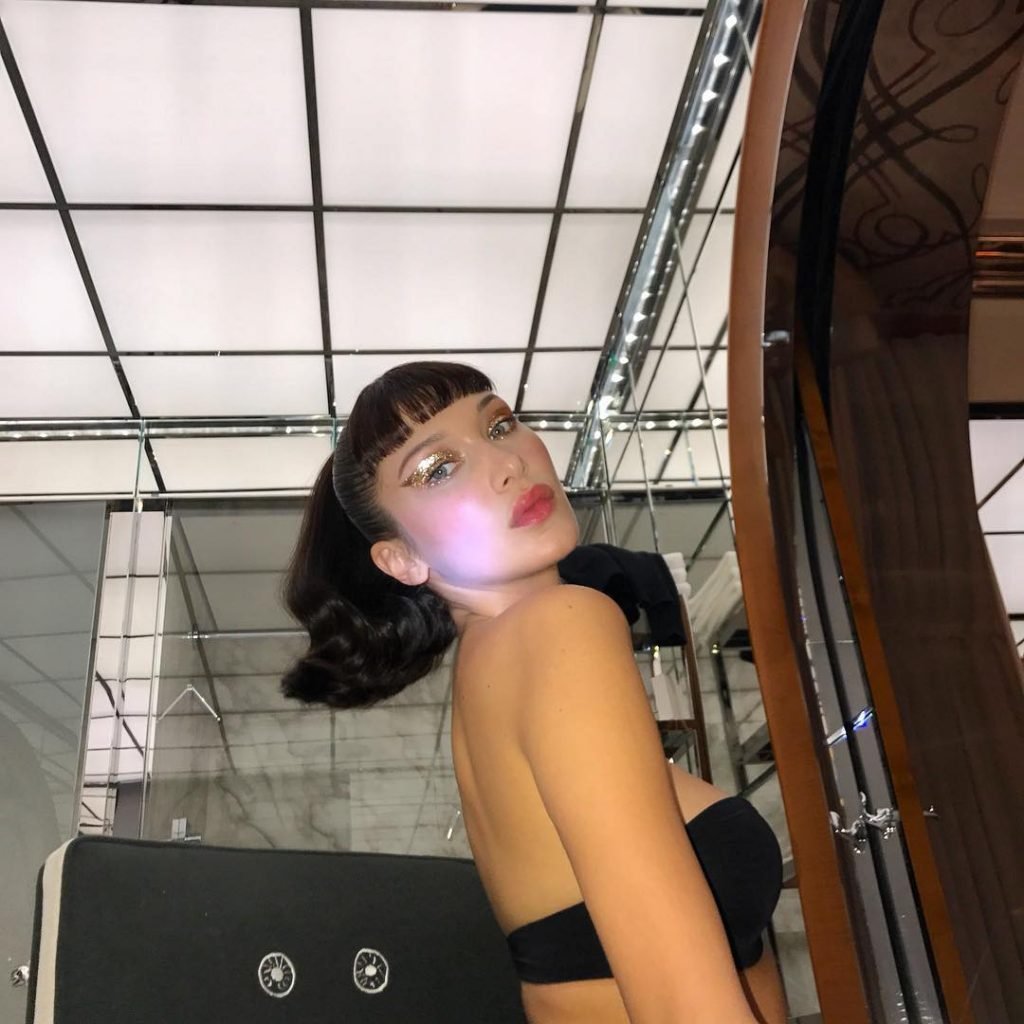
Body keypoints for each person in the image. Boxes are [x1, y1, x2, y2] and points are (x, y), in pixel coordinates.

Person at [280, 360, 787, 1024]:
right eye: (437, 468)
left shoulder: (495, 664)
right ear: (402, 559)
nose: (507, 463)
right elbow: (679, 1003)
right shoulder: (558, 627)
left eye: (499, 425)